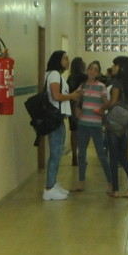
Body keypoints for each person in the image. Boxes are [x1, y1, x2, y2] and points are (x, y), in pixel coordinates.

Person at [102, 56, 128, 198]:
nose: (113, 67)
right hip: (127, 122)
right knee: (122, 153)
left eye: (115, 65)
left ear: (122, 68)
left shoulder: (116, 83)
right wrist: (127, 109)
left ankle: (116, 189)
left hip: (114, 122)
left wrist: (101, 108)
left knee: (114, 155)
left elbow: (113, 102)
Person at [42, 51, 81, 201]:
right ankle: (49, 189)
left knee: (57, 153)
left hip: (58, 118)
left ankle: (53, 184)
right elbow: (56, 96)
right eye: (65, 59)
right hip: (55, 119)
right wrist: (72, 96)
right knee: (56, 153)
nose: (68, 61)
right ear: (57, 60)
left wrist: (73, 93)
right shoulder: (53, 75)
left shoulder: (56, 75)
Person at [71, 61, 112, 192]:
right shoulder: (82, 86)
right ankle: (81, 182)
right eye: (91, 69)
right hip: (83, 124)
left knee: (101, 154)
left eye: (95, 70)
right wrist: (77, 108)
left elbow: (107, 104)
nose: (92, 71)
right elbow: (76, 101)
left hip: (96, 125)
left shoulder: (102, 87)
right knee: (81, 154)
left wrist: (104, 104)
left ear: (98, 73)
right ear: (87, 70)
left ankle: (110, 182)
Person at [66, 57, 87, 167]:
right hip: (83, 107)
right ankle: (82, 156)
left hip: (72, 107)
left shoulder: (70, 78)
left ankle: (74, 156)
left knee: (74, 132)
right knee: (84, 133)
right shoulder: (85, 77)